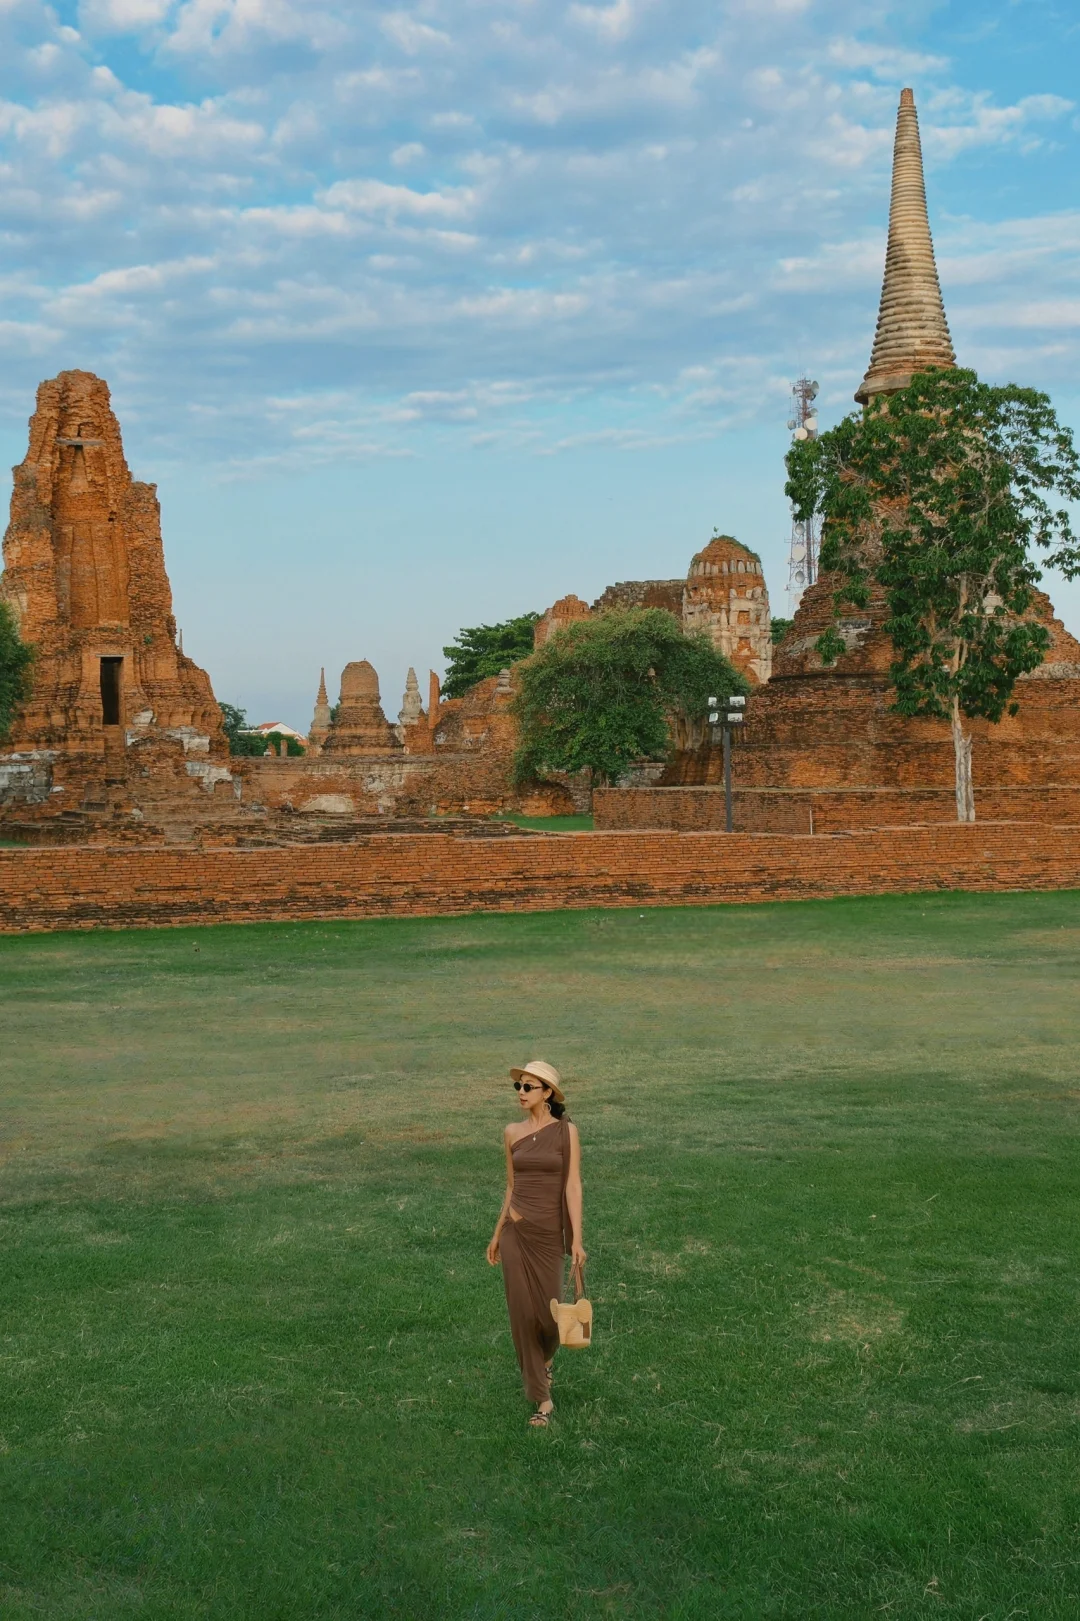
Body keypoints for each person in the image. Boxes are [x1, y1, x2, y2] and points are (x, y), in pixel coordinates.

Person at [486, 1059, 586, 1427]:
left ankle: (546, 1359)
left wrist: (577, 1239)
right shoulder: (511, 1132)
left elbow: (572, 1186)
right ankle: (541, 1398)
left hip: (548, 1235)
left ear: (547, 1094)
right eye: (519, 1087)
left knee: (550, 1315)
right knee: (522, 1315)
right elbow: (511, 1186)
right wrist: (497, 1233)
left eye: (529, 1087)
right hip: (516, 1231)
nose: (522, 1093)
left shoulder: (566, 1132)